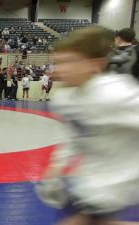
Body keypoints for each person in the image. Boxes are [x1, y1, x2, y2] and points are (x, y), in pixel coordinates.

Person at [36, 26, 139, 225]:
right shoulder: (66, 98)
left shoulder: (115, 94)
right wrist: (56, 167)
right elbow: (74, 135)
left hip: (116, 184)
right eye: (58, 63)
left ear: (95, 65)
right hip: (90, 183)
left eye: (69, 62)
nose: (60, 70)